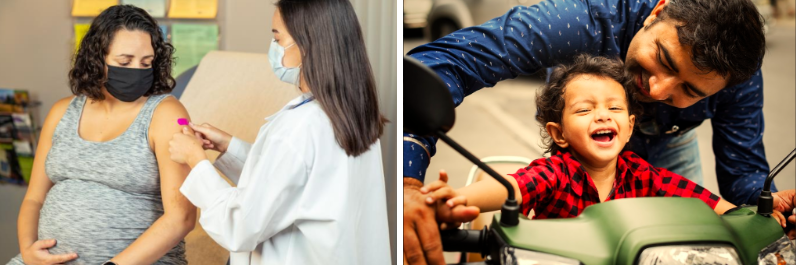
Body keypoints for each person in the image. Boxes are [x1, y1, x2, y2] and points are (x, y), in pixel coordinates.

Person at [402, 0, 786, 263]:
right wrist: (410, 184)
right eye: (664, 60)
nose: (655, 91)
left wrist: (771, 210)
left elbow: (741, 188)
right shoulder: (584, 18)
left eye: (690, 90)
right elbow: (449, 62)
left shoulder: (737, 81)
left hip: (667, 147)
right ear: (657, 12)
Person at [421, 55, 789, 227]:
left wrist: (755, 217)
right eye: (584, 110)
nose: (601, 115)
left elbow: (703, 201)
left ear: (629, 127)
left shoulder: (642, 175)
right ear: (558, 134)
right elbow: (514, 188)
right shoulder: (556, 172)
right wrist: (457, 200)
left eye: (614, 108)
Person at [166, 0, 390, 264]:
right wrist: (229, 146)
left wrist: (196, 161)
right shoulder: (351, 112)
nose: (273, 48)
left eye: (278, 38)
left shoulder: (299, 127)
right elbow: (294, 182)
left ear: (308, 45)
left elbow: (239, 227)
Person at [9, 5, 195, 265]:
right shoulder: (62, 111)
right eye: (124, 62)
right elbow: (34, 198)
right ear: (97, 59)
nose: (137, 71)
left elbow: (182, 218)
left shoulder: (167, 113)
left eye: (146, 63)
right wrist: (28, 251)